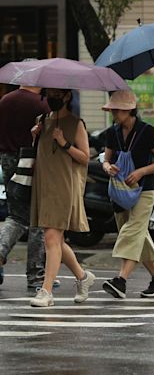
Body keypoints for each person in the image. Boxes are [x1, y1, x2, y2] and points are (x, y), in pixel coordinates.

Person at [101, 90, 154, 299]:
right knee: (138, 234)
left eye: (118, 110)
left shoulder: (148, 131)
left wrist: (141, 171)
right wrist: (107, 167)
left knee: (132, 230)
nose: (114, 114)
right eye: (113, 110)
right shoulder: (112, 132)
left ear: (130, 110)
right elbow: (106, 159)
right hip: (120, 191)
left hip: (145, 189)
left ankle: (121, 280)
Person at [29, 88, 95, 307]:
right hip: (43, 184)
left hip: (64, 186)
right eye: (50, 93)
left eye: (58, 94)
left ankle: (46, 291)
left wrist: (64, 142)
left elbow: (85, 158)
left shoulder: (76, 124)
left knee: (50, 237)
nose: (52, 98)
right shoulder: (41, 120)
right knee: (55, 238)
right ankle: (83, 277)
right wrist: (35, 136)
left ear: (67, 96)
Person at [0, 84, 57, 289]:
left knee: (16, 214)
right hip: (32, 161)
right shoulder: (40, 104)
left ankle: (0, 250)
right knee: (37, 218)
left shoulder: (5, 100)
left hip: (7, 160)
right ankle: (36, 275)